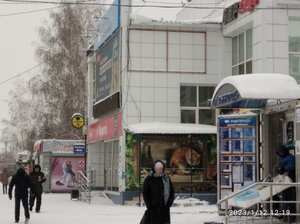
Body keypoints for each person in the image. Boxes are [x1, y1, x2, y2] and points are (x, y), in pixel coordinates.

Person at [276, 145, 296, 223]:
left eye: (281, 152)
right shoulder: (283, 158)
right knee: (285, 199)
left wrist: (283, 168)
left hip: (289, 180)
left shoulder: (289, 158)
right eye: (279, 153)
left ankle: (290, 217)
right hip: (285, 181)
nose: (280, 154)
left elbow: (291, 167)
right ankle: (285, 216)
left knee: (289, 199)